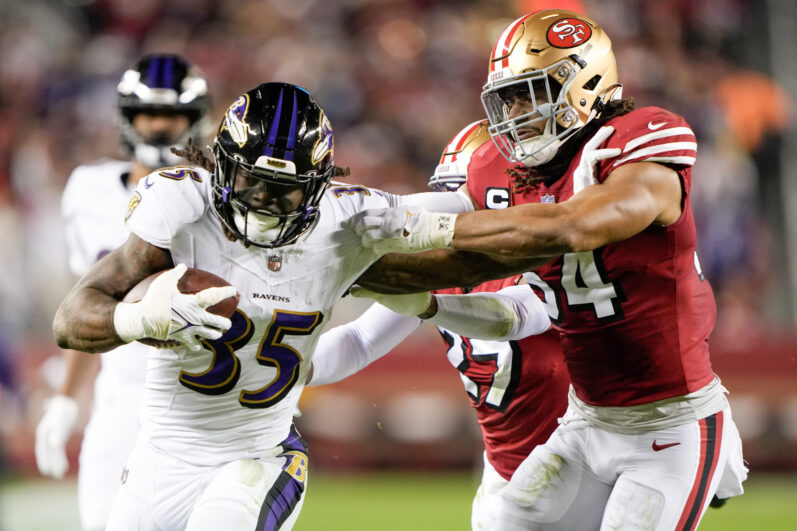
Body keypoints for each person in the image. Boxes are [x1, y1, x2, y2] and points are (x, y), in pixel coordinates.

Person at [350, 10, 748, 530]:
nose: (514, 113)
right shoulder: (515, 174)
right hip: (586, 422)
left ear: (582, 84)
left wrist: (423, 231)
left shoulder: (643, 142)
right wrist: (347, 268)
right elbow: (469, 261)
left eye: (528, 94)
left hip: (671, 424)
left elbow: (574, 226)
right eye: (507, 99)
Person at [51, 81, 479, 531]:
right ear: (221, 166)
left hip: (257, 457)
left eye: (284, 190)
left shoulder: (342, 225)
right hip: (161, 456)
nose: (262, 201)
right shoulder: (183, 208)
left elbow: (467, 221)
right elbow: (70, 320)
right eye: (250, 180)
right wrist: (140, 317)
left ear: (317, 189)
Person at [307, 119, 569, 531]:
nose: (451, 208)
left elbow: (514, 317)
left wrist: (430, 306)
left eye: (465, 197)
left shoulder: (552, 256)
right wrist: (283, 365)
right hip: (504, 472)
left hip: (583, 459)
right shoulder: (441, 272)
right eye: (445, 195)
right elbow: (359, 340)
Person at [35, 53, 211, 531]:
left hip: (198, 401)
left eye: (171, 114)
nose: (158, 127)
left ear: (194, 120)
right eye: (147, 114)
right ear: (126, 118)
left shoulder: (214, 200)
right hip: (119, 401)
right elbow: (83, 307)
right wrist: (67, 398)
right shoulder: (87, 190)